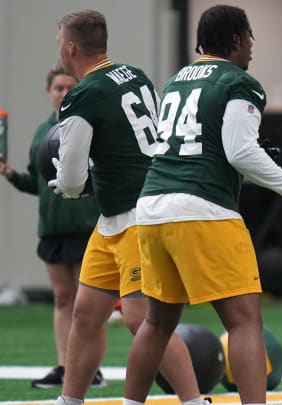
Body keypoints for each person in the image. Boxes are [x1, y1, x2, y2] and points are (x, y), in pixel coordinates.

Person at [121, 5, 282, 405]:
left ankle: (130, 404)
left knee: (156, 323)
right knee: (244, 322)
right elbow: (240, 153)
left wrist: (253, 152)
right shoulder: (239, 81)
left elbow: (202, 144)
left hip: (152, 208)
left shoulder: (175, 81)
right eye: (251, 38)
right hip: (203, 209)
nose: (253, 48)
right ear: (237, 40)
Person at [49, 10, 204, 405]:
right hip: (116, 216)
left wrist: (72, 188)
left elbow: (69, 178)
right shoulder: (133, 74)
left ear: (70, 47)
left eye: (59, 44)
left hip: (139, 214)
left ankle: (193, 400)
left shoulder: (82, 95)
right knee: (86, 313)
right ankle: (70, 400)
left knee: (140, 317)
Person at [0, 64, 105, 389]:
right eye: (58, 88)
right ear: (48, 92)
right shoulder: (41, 131)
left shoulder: (87, 126)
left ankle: (92, 370)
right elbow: (41, 183)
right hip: (52, 228)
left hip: (85, 226)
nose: (63, 93)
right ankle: (65, 365)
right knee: (63, 300)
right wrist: (12, 175)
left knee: (89, 304)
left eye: (69, 87)